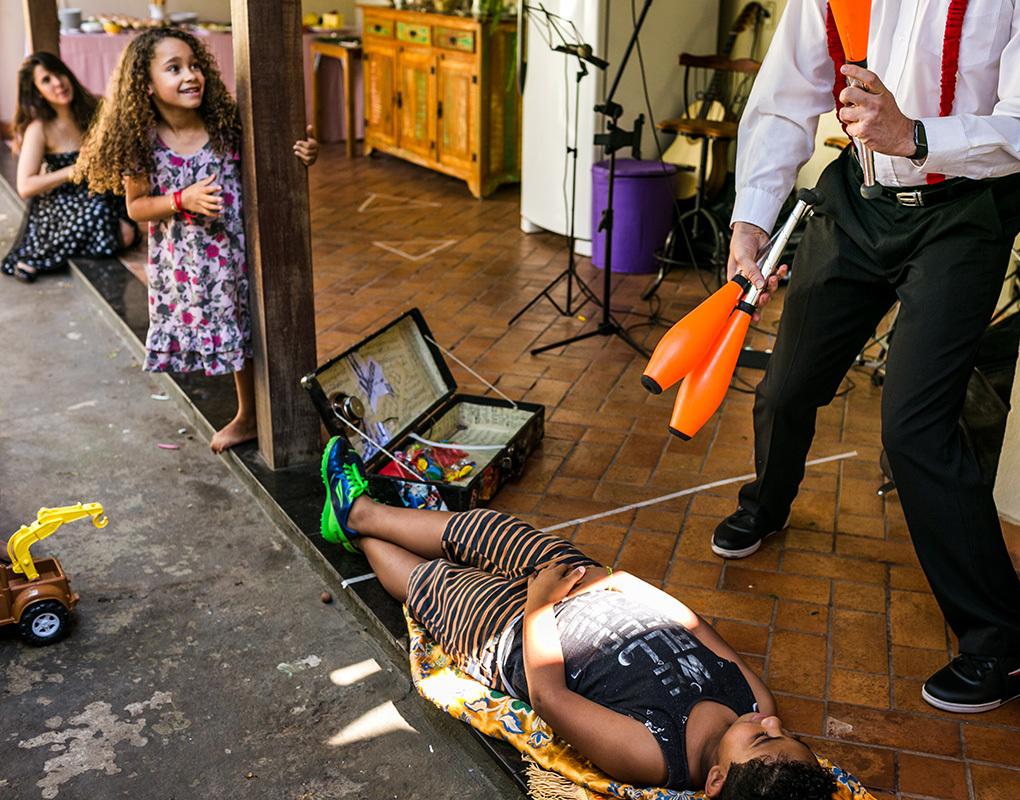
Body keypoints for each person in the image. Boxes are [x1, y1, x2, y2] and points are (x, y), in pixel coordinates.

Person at [717, 0, 1020, 715]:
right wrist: (751, 219)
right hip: (857, 199)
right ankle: (768, 504)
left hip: (965, 214)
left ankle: (1008, 643)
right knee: (787, 385)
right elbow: (784, 96)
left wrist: (916, 136)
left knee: (914, 428)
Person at [318, 436, 840, 800]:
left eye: (764, 737)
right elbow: (697, 629)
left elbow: (551, 699)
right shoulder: (755, 703)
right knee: (485, 527)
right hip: (584, 581)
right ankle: (360, 509)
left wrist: (539, 604)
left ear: (716, 781)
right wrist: (621, 583)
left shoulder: (655, 757)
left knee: (433, 582)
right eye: (785, 731)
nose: (772, 721)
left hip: (512, 633)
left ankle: (358, 533)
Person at [76, 29, 318, 453]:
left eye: (195, 65)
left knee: (254, 332)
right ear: (145, 85)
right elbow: (136, 207)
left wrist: (302, 153)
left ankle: (270, 414)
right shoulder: (142, 142)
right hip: (192, 264)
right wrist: (181, 199)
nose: (191, 75)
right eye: (174, 69)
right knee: (232, 338)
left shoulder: (225, 125)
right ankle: (248, 416)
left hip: (242, 252)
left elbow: (273, 158)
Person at [2, 53, 137, 283]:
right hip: (63, 200)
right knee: (99, 214)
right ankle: (37, 258)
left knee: (127, 233)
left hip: (105, 193)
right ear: (36, 91)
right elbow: (25, 186)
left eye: (59, 74)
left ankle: (59, 251)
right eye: (46, 80)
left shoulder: (98, 108)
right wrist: (75, 169)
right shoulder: (40, 128)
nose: (57, 83)